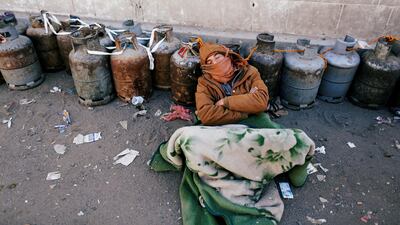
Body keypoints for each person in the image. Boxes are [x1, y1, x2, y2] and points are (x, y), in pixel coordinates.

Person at [195, 42, 269, 125]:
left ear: (227, 56)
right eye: (209, 62)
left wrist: (225, 102)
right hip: (222, 126)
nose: (215, 63)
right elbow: (207, 115)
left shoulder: (250, 72)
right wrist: (247, 110)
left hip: (251, 122)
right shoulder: (204, 82)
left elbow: (261, 101)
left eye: (217, 57)